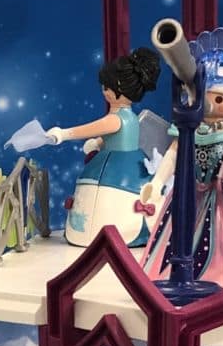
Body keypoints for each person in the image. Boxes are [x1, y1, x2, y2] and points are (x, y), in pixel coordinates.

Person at [140, 26, 223, 288]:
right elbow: (173, 155)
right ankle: (176, 277)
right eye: (205, 96)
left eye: (219, 98)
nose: (210, 104)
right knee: (177, 236)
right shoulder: (189, 129)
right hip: (188, 195)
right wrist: (156, 183)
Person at [46, 46, 162, 248]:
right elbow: (112, 133)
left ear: (120, 87)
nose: (104, 91)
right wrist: (99, 142)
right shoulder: (131, 117)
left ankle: (110, 235)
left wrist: (63, 134)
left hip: (114, 168)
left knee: (107, 200)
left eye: (107, 87)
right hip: (130, 164)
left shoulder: (115, 118)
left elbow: (93, 128)